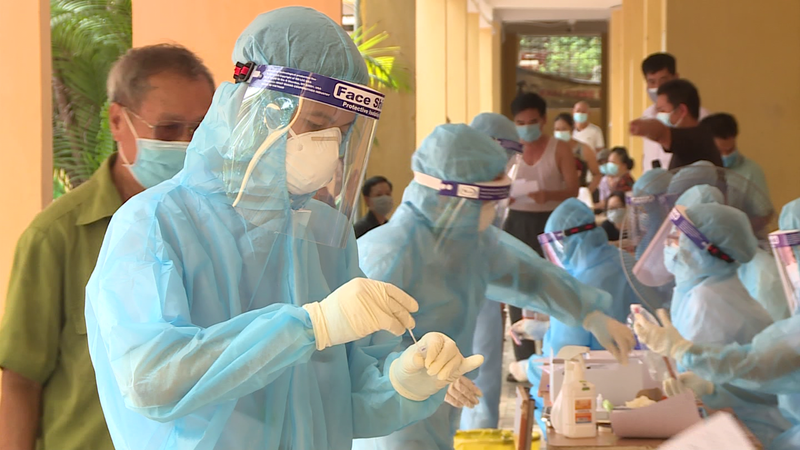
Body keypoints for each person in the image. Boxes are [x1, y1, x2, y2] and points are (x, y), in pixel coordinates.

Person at [82, 9, 482, 450]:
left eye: (342, 130)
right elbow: (150, 378)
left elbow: (342, 399)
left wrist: (403, 382)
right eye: (315, 124)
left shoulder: (324, 233)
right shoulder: (155, 222)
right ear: (254, 108)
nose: (329, 144)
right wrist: (310, 327)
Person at [353, 124, 635, 450]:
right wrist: (419, 372)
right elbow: (360, 354)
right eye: (486, 200)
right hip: (391, 417)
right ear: (455, 197)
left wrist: (588, 313)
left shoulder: (467, 241)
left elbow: (529, 276)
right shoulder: (387, 253)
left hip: (442, 407)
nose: (494, 211)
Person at [0, 44, 215, 450]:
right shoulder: (57, 237)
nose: (187, 144)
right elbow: (21, 380)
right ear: (118, 121)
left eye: (200, 130)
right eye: (168, 129)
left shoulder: (219, 228)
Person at [634, 198, 800, 450]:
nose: (670, 245)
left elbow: (757, 365)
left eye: (678, 238)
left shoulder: (709, 300)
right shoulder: (704, 292)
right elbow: (770, 376)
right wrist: (713, 389)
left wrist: (682, 350)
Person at [521, 198, 641, 435]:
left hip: (591, 402)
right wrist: (542, 329)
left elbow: (559, 365)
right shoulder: (624, 261)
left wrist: (526, 367)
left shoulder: (576, 287)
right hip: (638, 388)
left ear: (566, 241)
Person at [506, 92, 581, 363]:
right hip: (517, 221)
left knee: (552, 284)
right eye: (520, 123)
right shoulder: (510, 150)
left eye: (532, 122)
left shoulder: (559, 148)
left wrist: (547, 195)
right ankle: (523, 358)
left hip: (551, 222)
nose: (526, 127)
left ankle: (555, 350)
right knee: (516, 285)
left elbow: (573, 189)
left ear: (544, 120)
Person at [460, 112, 520, 430]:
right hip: (451, 297)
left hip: (481, 294)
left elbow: (496, 249)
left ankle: (482, 433)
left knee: (483, 370)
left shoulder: (488, 190)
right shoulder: (452, 186)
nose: (505, 168)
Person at [630, 79, 722, 169]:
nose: (658, 116)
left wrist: (643, 127)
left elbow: (661, 132)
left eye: (662, 110)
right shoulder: (690, 142)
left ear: (682, 110)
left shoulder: (697, 139)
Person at [639, 53, 709, 170]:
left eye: (663, 80)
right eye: (652, 82)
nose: (658, 87)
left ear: (675, 78)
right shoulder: (647, 116)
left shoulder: (700, 116)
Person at [701, 113, 771, 205]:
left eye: (730, 150)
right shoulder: (696, 172)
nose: (726, 155)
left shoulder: (752, 172)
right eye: (719, 152)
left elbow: (764, 211)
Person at [553, 112, 601, 193]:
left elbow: (597, 174)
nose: (560, 132)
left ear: (571, 129)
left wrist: (587, 192)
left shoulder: (584, 149)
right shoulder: (551, 150)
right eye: (557, 129)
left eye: (564, 129)